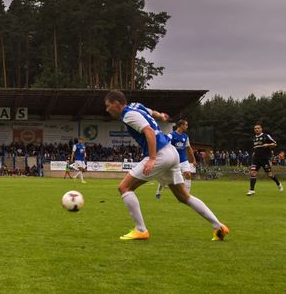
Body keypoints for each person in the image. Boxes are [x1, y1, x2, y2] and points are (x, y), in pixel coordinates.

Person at [104, 90, 228, 241]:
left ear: (117, 104)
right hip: (172, 152)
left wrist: (152, 158)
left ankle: (140, 230)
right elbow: (153, 112)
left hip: (160, 154)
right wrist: (161, 116)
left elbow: (148, 131)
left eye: (108, 105)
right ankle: (218, 226)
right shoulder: (136, 106)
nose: (107, 109)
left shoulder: (128, 114)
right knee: (184, 197)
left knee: (124, 187)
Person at [156, 119, 196, 199]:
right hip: (173, 160)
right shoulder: (171, 135)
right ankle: (158, 191)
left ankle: (186, 196)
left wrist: (193, 159)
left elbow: (189, 148)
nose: (187, 127)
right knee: (166, 177)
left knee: (188, 174)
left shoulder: (185, 136)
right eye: (186, 125)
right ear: (181, 125)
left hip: (183, 159)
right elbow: (166, 145)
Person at [247, 123, 282, 195]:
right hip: (256, 159)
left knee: (270, 174)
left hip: (264, 159)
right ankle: (252, 190)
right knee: (253, 173)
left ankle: (278, 184)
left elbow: (275, 144)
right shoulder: (254, 138)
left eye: (258, 128)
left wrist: (268, 144)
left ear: (261, 129)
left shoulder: (266, 136)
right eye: (255, 128)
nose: (256, 129)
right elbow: (255, 148)